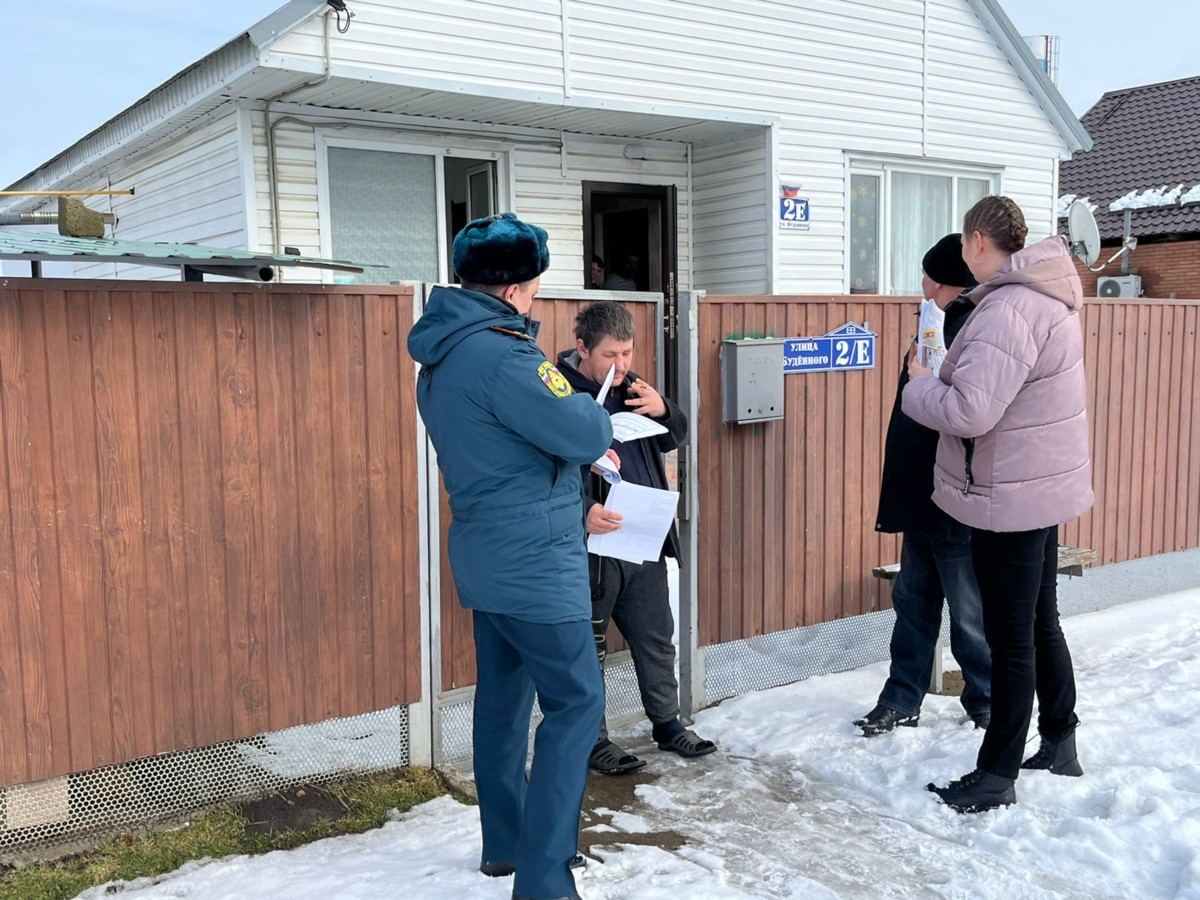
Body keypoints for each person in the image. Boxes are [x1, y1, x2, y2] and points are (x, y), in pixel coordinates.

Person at [408, 212, 614, 899]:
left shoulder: (440, 356)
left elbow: (502, 455)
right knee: (577, 704)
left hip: (487, 552)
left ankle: (506, 842)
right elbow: (583, 431)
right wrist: (591, 418)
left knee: (502, 700)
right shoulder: (503, 355)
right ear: (518, 288)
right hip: (536, 563)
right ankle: (545, 879)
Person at [903, 196, 1094, 814]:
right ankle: (1059, 739)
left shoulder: (1008, 308)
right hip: (1039, 485)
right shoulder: (1045, 293)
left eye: (962, 244)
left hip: (1009, 493)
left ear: (979, 241)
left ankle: (996, 773)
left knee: (1011, 639)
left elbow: (970, 411)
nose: (961, 254)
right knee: (1040, 620)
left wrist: (919, 385)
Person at [556, 301, 717, 774]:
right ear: (582, 348)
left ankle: (668, 725)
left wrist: (664, 408)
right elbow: (539, 470)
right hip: (591, 547)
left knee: (656, 637)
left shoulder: (631, 386)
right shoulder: (557, 392)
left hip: (643, 534)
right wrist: (582, 511)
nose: (621, 364)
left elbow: (678, 435)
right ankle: (593, 740)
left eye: (627, 352)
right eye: (610, 355)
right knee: (587, 648)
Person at [856, 234, 992, 737]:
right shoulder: (933, 325)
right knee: (913, 602)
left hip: (955, 494)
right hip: (920, 492)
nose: (922, 286)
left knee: (969, 610)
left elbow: (964, 412)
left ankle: (986, 703)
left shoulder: (975, 329)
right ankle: (902, 698)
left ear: (941, 280)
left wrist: (920, 381)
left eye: (926, 277)